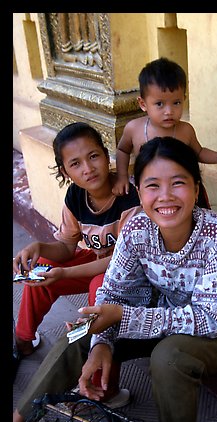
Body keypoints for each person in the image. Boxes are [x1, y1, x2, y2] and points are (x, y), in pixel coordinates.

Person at [13, 137, 217, 422]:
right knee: (82, 330)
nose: (165, 196)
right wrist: (102, 342)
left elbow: (210, 319)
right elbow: (112, 291)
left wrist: (122, 318)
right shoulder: (137, 229)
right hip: (166, 316)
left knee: (168, 356)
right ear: (139, 191)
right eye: (152, 185)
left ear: (197, 187)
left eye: (178, 183)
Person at [12, 122, 141, 405]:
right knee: (41, 267)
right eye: (75, 163)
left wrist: (65, 273)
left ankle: (102, 388)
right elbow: (67, 247)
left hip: (133, 279)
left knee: (99, 287)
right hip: (96, 265)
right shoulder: (75, 197)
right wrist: (39, 247)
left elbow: (118, 266)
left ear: (106, 156)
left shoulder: (128, 197)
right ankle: (23, 340)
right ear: (65, 172)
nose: (88, 168)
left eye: (93, 156)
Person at [112, 57, 217, 208]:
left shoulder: (185, 130)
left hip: (182, 193)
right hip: (150, 193)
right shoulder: (134, 128)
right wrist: (121, 176)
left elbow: (199, 152)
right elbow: (122, 150)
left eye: (176, 103)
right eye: (159, 104)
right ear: (143, 104)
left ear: (184, 100)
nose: (169, 111)